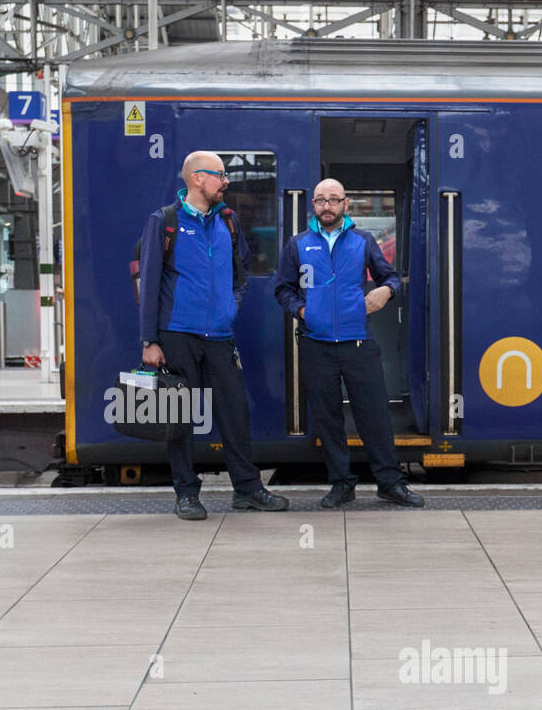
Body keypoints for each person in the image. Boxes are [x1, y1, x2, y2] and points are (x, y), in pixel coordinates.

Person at [138, 151, 289, 520]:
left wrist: (231, 306)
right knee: (179, 418)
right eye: (220, 176)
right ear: (196, 178)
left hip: (219, 335)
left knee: (234, 412)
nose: (226, 182)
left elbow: (241, 273)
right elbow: (149, 282)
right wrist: (149, 341)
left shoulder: (228, 221)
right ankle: (186, 494)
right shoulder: (165, 222)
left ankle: (248, 489)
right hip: (176, 335)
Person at [273, 178, 425, 510]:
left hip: (359, 344)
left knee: (374, 417)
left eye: (333, 200)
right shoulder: (297, 245)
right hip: (316, 345)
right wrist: (301, 310)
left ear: (346, 204)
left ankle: (390, 483)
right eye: (321, 200)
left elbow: (391, 277)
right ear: (313, 205)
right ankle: (342, 484)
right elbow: (283, 288)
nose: (327, 206)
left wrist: (386, 291)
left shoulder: (363, 241)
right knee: (328, 419)